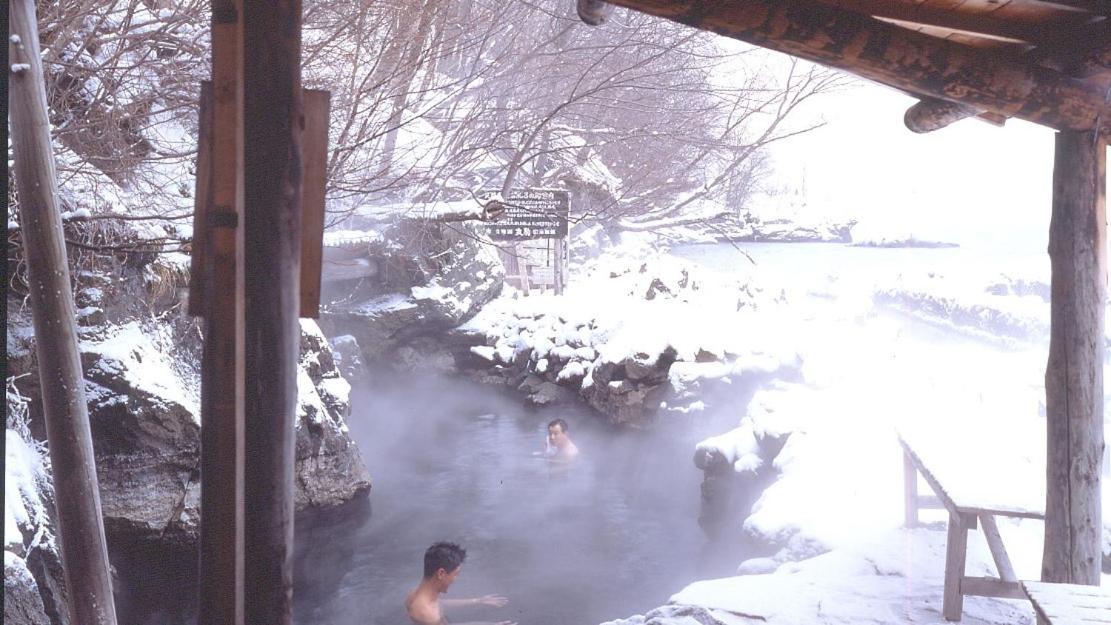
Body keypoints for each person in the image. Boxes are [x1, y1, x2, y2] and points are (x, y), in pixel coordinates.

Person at [405, 542, 514, 625]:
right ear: (441, 573)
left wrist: (477, 601)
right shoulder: (427, 615)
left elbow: (441, 603)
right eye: (456, 574)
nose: (456, 579)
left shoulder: (415, 594)